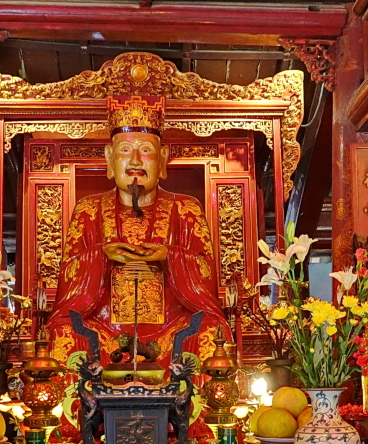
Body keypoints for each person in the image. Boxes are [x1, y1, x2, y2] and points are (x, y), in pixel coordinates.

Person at [46, 94, 230, 367]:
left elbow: (205, 272)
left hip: (171, 326)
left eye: (145, 150)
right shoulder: (88, 210)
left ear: (162, 158)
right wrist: (101, 255)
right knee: (63, 331)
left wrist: (169, 256)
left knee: (210, 329)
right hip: (104, 327)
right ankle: (84, 404)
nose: (135, 160)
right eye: (124, 151)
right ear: (110, 158)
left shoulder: (186, 208)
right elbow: (69, 275)